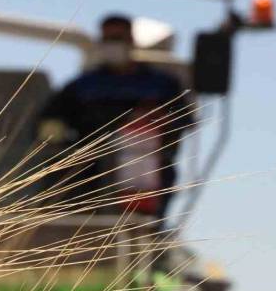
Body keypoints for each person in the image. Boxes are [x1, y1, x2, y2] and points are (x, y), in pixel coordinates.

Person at [37, 14, 193, 218]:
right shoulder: (83, 85)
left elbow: (183, 119)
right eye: (108, 39)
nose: (113, 45)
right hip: (90, 171)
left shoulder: (161, 84)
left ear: (131, 41)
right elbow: (50, 120)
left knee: (140, 227)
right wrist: (56, 141)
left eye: (118, 39)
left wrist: (151, 121)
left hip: (144, 168)